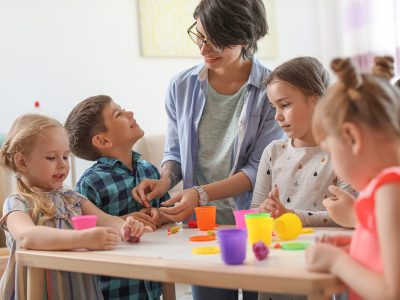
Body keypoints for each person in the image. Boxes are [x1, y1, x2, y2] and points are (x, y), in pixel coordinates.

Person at [133, 0, 282, 299]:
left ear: (246, 37)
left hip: (254, 224)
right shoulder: (181, 86)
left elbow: (258, 168)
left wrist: (201, 193)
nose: (204, 50)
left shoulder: (273, 89)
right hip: (202, 227)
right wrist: (165, 180)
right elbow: (174, 152)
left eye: (217, 42)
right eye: (200, 37)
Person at [0, 114, 149, 300]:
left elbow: (105, 220)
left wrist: (126, 228)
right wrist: (82, 239)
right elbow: (27, 236)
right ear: (22, 162)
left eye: (65, 156)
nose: (62, 164)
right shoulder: (17, 202)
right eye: (51, 157)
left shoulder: (72, 198)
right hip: (38, 292)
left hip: (79, 290)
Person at [305, 56, 400, 300]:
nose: (334, 165)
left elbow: (392, 291)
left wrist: (337, 261)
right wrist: (354, 249)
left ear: (352, 138)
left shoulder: (391, 189)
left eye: (331, 152)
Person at [65, 95, 171, 300]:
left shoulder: (149, 170)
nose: (129, 113)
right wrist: (123, 223)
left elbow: (167, 210)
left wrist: (160, 215)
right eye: (119, 114)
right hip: (115, 289)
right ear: (103, 140)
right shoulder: (91, 182)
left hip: (153, 284)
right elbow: (81, 235)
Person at [250, 56, 355, 228]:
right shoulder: (273, 152)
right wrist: (264, 210)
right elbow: (255, 210)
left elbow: (350, 214)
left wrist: (292, 216)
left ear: (315, 101)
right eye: (273, 107)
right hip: (281, 249)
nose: (277, 116)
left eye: (284, 105)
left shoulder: (343, 152)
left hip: (326, 248)